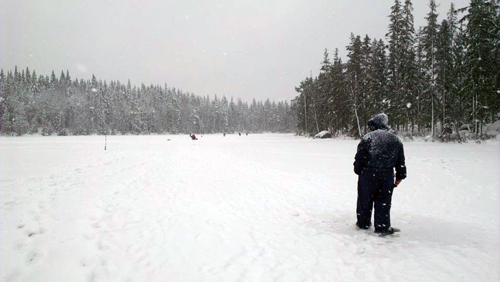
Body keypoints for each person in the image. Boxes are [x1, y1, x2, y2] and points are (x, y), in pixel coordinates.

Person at [353, 113, 407, 235]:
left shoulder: (368, 138)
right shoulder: (395, 139)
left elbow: (360, 158)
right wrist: (400, 176)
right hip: (387, 175)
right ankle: (382, 226)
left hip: (368, 174)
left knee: (364, 200)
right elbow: (400, 160)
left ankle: (363, 223)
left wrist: (358, 170)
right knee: (383, 201)